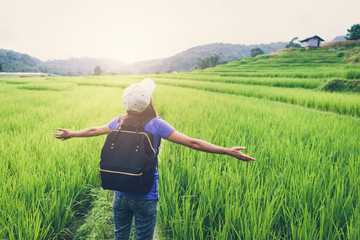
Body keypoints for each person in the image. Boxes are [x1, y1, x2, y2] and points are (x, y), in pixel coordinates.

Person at [53, 78, 255, 240]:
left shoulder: (119, 121)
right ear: (149, 102)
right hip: (146, 195)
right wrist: (227, 151)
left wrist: (72, 134)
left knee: (119, 235)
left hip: (121, 194)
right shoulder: (157, 124)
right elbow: (193, 143)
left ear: (125, 103)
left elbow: (95, 130)